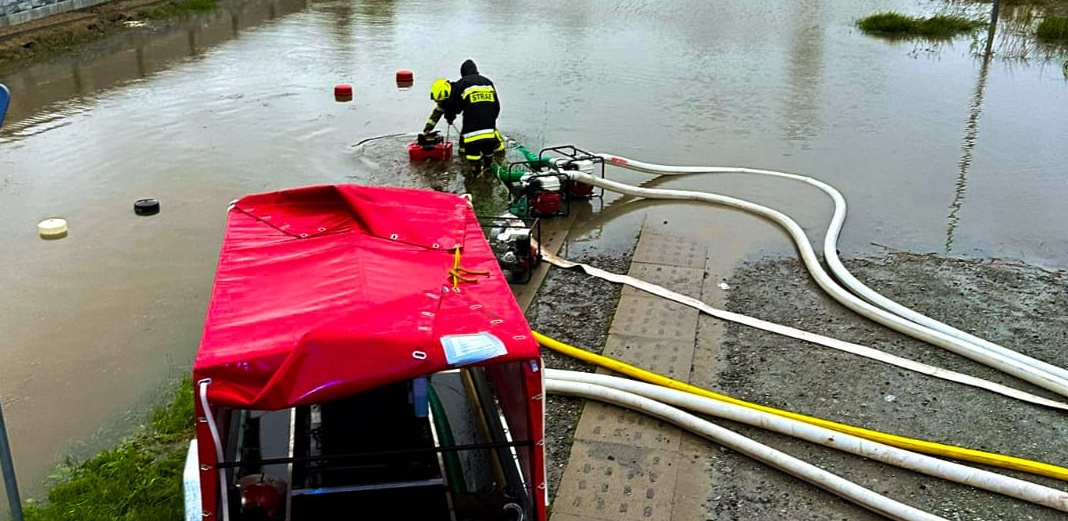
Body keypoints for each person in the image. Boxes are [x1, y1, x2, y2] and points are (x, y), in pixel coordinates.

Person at [422, 59, 505, 172]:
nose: (440, 104)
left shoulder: (460, 86)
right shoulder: (487, 82)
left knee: (472, 147)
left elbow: (451, 108)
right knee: (487, 146)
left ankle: (475, 172)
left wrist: (449, 118)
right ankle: (494, 162)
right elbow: (496, 106)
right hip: (489, 122)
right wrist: (428, 128)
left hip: (475, 126)